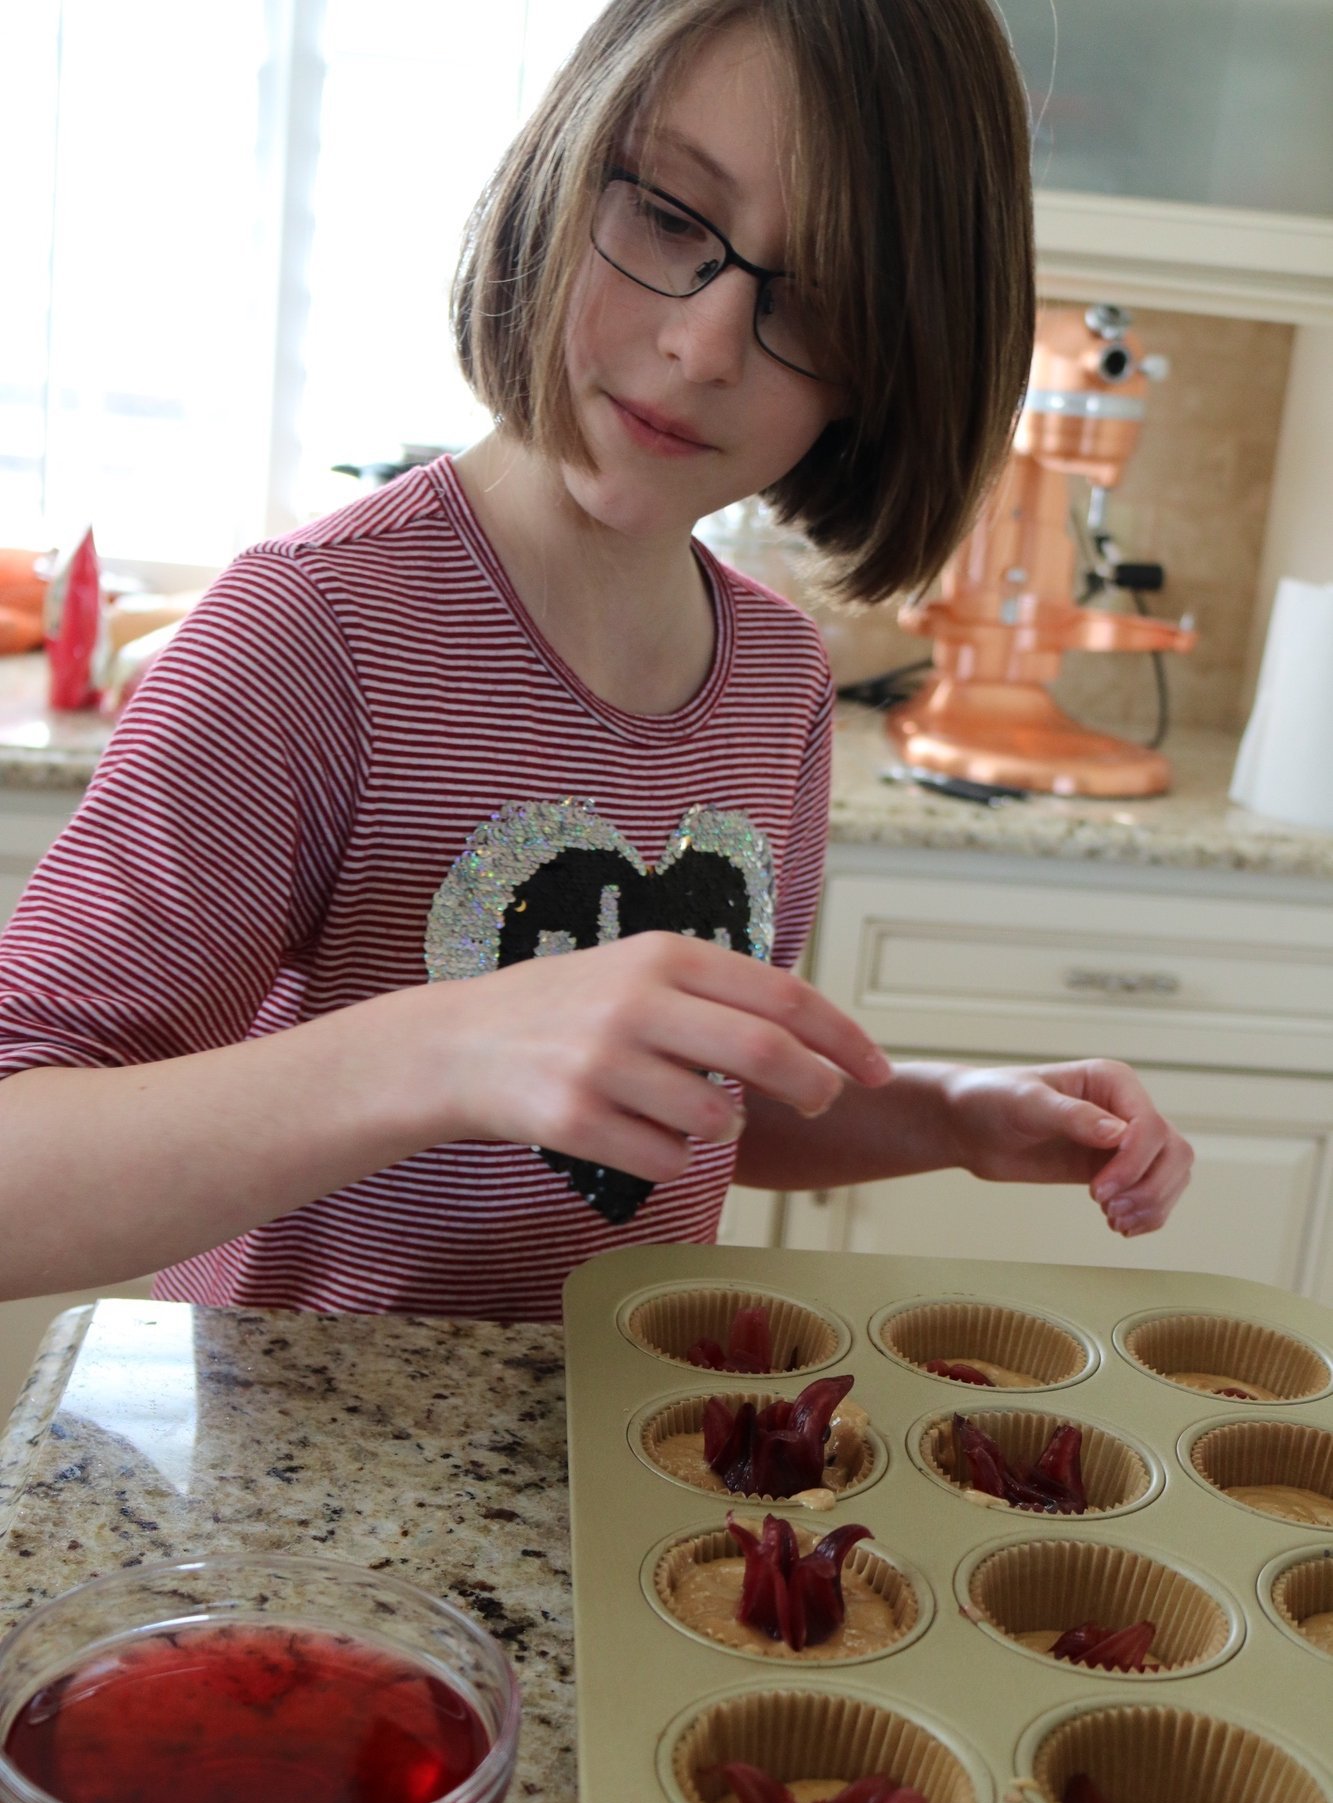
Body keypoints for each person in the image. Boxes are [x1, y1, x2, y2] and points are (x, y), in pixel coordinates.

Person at [0, 0, 1191, 1323]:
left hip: (622, 1469)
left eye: (825, 297)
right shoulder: (313, 636)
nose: (704, 346)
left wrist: (947, 1115)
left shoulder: (776, 680)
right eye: (673, 219)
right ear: (564, 166)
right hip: (309, 1498)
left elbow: (691, 1105)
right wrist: (448, 1048)